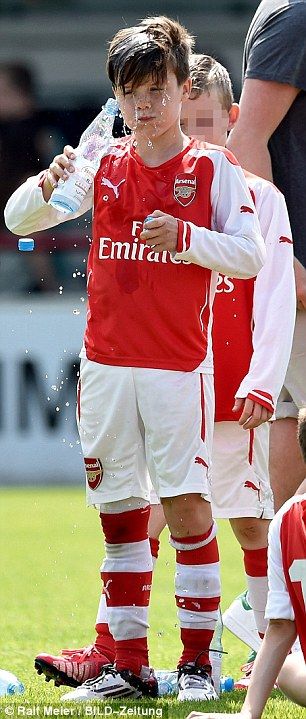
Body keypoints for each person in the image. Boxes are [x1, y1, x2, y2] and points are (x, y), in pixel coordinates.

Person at [5, 15, 265, 702]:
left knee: (185, 510)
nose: (143, 106)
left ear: (183, 88)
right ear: (116, 98)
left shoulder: (211, 167)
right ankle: (126, 665)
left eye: (156, 89)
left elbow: (251, 255)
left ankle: (197, 666)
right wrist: (43, 183)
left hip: (177, 366)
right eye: (130, 93)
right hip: (105, 367)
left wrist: (185, 237)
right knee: (120, 514)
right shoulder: (104, 161)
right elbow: (17, 221)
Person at [180, 54, 295, 688]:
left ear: (230, 121)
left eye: (205, 121)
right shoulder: (158, 197)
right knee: (153, 516)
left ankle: (247, 647)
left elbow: (276, 299)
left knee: (250, 519)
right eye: (184, 120)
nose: (195, 135)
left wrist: (260, 378)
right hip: (173, 390)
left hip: (233, 393)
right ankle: (136, 654)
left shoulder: (260, 200)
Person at [227, 0, 306, 512]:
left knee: (289, 414)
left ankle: (281, 586)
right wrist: (285, 263)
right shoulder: (299, 15)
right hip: (299, 269)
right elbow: (245, 139)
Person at [186, 407, 306, 718]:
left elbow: (281, 626)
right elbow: (280, 625)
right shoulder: (285, 522)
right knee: (288, 668)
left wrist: (248, 714)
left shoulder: (287, 520)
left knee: (289, 668)